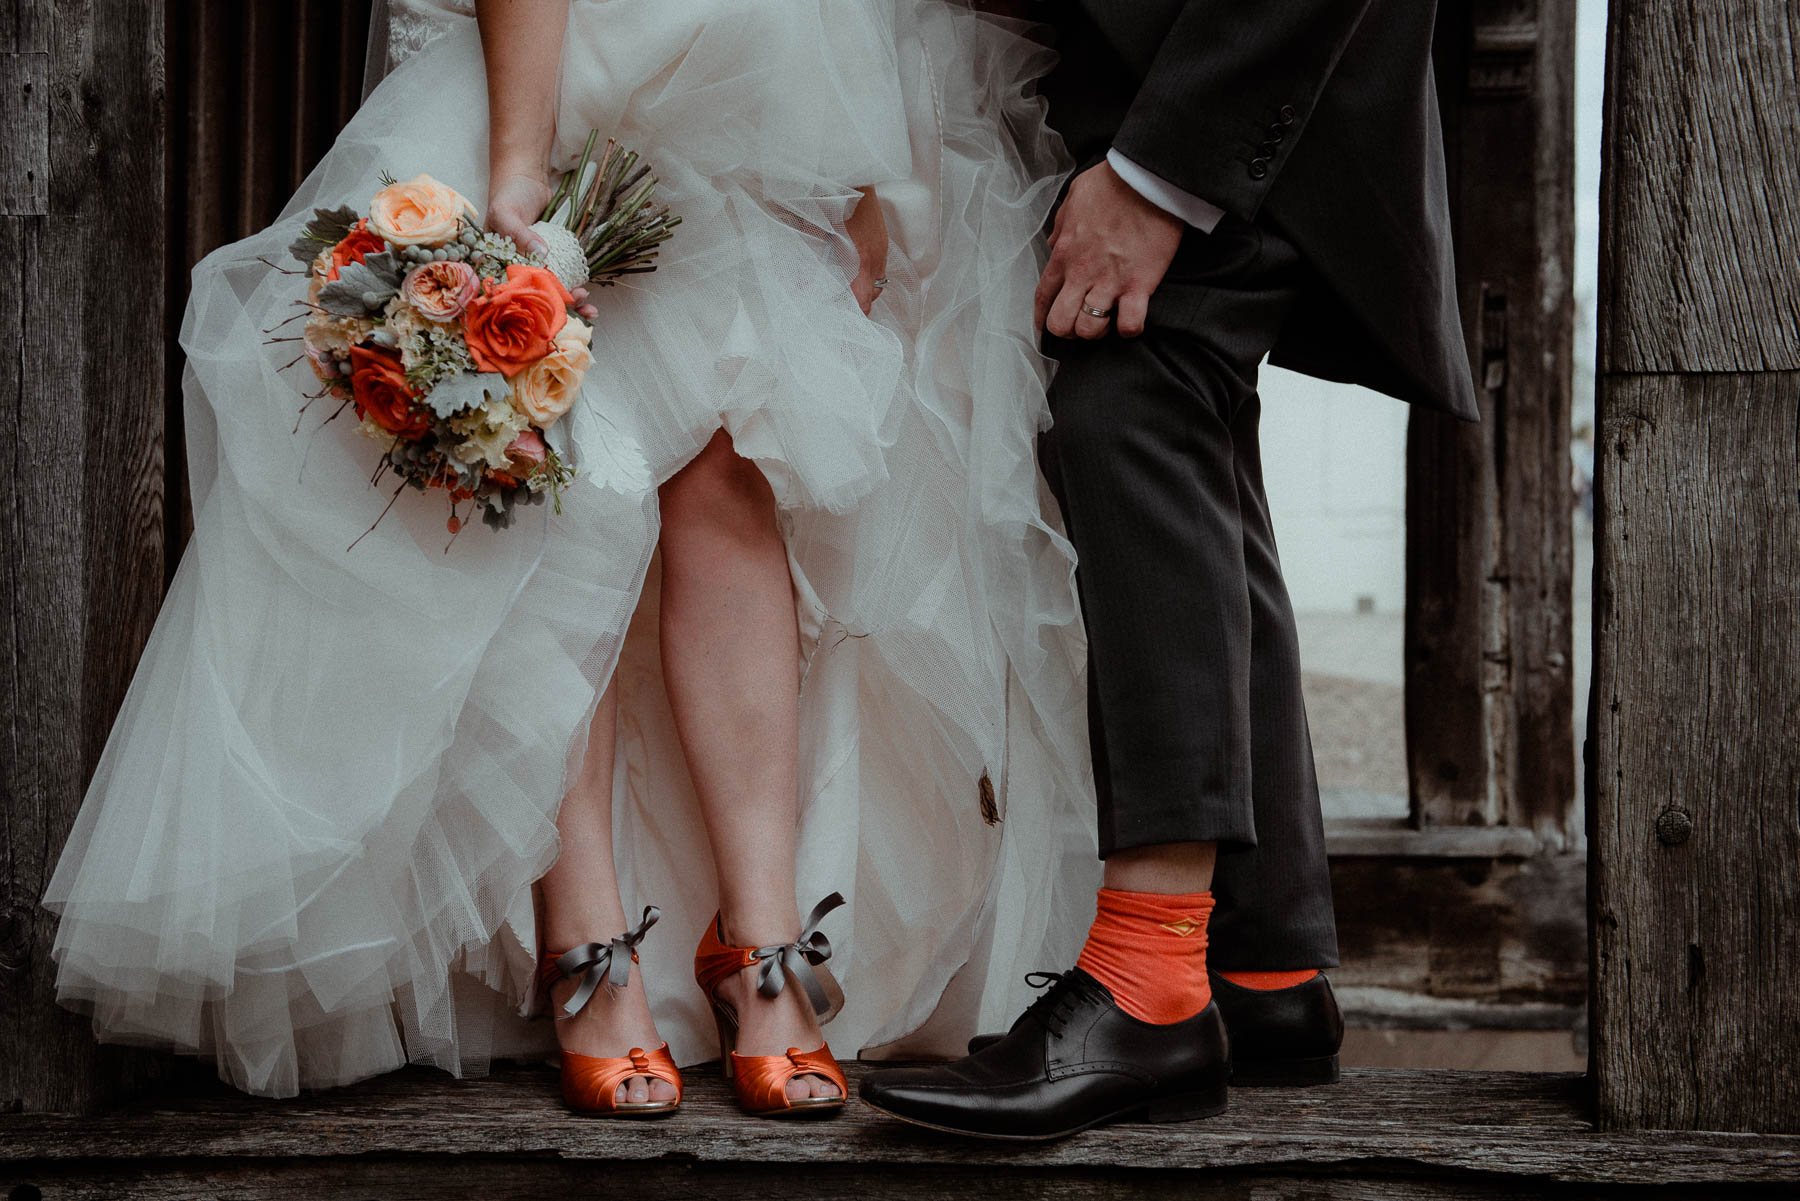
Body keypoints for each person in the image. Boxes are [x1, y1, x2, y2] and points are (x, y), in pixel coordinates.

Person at [43, 0, 1099, 1115]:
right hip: (547, 69)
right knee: (565, 478)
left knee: (732, 479)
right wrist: (517, 167)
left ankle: (762, 938)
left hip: (753, 86)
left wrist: (853, 159)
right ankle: (585, 940)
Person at [862, 0, 1479, 1139]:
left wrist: (1156, 176)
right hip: (1172, 75)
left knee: (1126, 387)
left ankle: (1151, 982)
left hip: (1230, 71)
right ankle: (1266, 967)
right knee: (1180, 405)